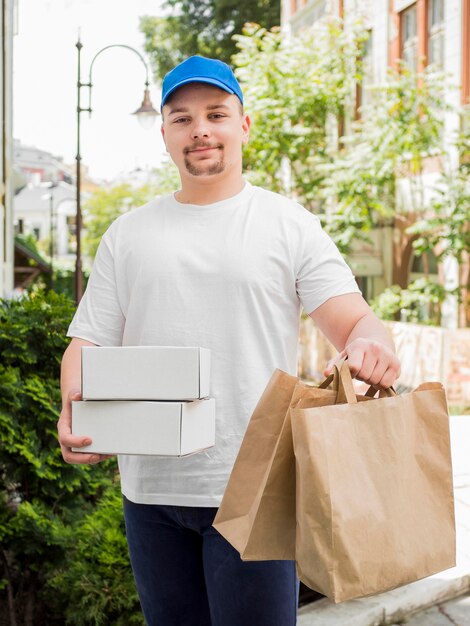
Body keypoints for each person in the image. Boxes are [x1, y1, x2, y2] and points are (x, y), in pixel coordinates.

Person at [58, 56, 400, 626]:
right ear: (165, 132)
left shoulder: (287, 224)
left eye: (216, 114)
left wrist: (372, 346)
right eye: (181, 117)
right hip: (150, 488)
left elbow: (357, 323)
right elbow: (87, 341)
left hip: (256, 488)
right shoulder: (128, 235)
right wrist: (73, 408)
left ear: (243, 125)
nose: (200, 130)